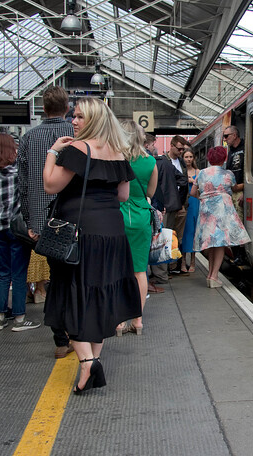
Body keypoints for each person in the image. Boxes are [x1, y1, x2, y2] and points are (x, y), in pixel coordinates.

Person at [43, 97, 140, 394]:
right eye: (74, 115)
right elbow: (123, 196)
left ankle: (86, 360)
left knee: (72, 295)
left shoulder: (77, 149)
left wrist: (52, 152)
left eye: (80, 117)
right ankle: (93, 361)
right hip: (112, 233)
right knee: (99, 296)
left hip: (80, 233)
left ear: (95, 120)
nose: (73, 121)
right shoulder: (119, 153)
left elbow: (50, 185)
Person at [17, 85, 76, 358]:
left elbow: (23, 181)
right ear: (67, 108)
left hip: (44, 222)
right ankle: (77, 333)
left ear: (42, 108)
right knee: (76, 275)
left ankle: (59, 339)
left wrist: (30, 219)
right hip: (75, 219)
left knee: (54, 278)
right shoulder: (76, 135)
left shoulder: (29, 138)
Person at [0, 133, 41, 333]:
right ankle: (19, 318)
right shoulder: (18, 173)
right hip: (16, 228)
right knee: (18, 274)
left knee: (1, 273)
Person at [117, 120, 157, 336]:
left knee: (118, 269)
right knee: (139, 270)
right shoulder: (150, 161)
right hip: (141, 217)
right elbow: (150, 193)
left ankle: (120, 322)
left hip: (117, 215)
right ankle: (138, 320)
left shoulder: (114, 158)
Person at [192, 146, 250, 288]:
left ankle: (210, 274)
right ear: (224, 159)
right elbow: (235, 188)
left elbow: (193, 192)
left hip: (206, 211)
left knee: (212, 244)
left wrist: (204, 198)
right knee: (220, 243)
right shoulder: (228, 174)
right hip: (222, 211)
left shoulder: (201, 173)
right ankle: (214, 276)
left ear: (209, 159)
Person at [150, 135, 188, 284]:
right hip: (171, 206)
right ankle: (164, 272)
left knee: (158, 238)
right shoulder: (167, 164)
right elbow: (183, 180)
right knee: (165, 239)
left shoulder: (154, 164)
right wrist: (176, 195)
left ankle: (160, 274)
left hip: (160, 206)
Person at [224, 125, 248, 265]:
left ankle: (241, 255)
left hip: (241, 191)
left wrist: (247, 190)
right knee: (232, 225)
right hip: (232, 192)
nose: (225, 139)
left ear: (235, 135)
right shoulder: (231, 151)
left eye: (226, 136)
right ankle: (237, 254)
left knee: (239, 224)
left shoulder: (246, 148)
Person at [180, 149, 200, 274]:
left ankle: (193, 260)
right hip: (184, 203)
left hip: (195, 203)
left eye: (190, 156)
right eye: (186, 156)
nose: (188, 159)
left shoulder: (198, 172)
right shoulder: (180, 171)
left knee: (193, 232)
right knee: (184, 232)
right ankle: (183, 261)